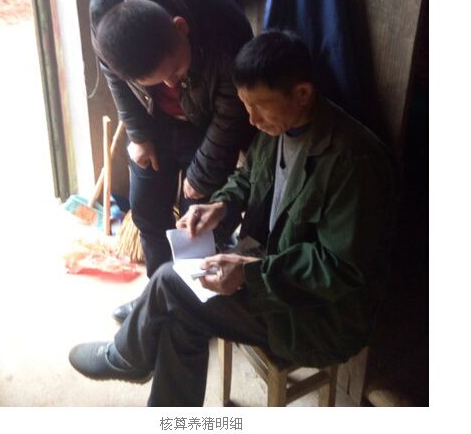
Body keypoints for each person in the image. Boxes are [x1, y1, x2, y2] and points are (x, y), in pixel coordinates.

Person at [69, 31, 396, 406]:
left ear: (303, 93)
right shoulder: (279, 124)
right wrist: (221, 205)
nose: (251, 119)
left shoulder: (355, 162)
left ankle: (127, 357)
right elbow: (248, 175)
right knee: (180, 312)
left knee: (171, 283)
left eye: (259, 107)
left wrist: (250, 274)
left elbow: (338, 269)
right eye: (245, 105)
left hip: (316, 315)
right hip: (266, 262)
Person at [89, 0, 255, 321]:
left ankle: (196, 305)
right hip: (153, 120)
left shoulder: (225, 28)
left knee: (197, 221)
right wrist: (138, 134)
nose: (169, 85)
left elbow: (232, 113)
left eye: (175, 72)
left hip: (208, 122)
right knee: (146, 208)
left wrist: (201, 176)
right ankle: (158, 297)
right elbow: (113, 74)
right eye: (155, 81)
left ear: (181, 27)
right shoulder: (106, 10)